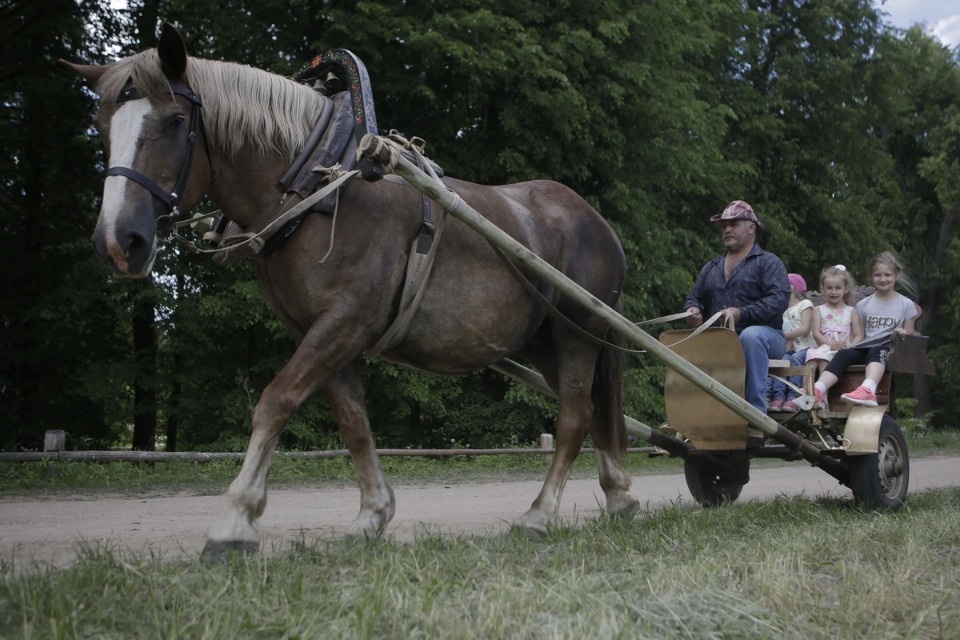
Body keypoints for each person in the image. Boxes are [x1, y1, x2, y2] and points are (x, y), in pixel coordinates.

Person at [684, 200, 791, 412]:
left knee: (750, 336)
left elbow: (778, 300)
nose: (727, 229)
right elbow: (694, 298)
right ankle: (693, 414)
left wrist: (742, 313)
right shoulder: (711, 267)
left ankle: (755, 413)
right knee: (684, 341)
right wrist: (692, 310)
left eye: (734, 224)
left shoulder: (769, 262)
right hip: (721, 339)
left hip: (768, 338)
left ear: (752, 228)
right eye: (724, 225)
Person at [812, 252, 919, 408]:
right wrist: (849, 347)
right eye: (878, 275)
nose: (882, 279)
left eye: (887, 275)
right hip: (866, 348)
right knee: (844, 354)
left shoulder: (906, 304)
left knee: (877, 350)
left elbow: (910, 338)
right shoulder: (863, 305)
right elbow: (860, 336)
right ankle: (818, 389)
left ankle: (868, 389)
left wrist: (902, 333)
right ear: (871, 277)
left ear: (896, 275)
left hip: (889, 351)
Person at [769, 273, 816, 411]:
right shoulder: (784, 311)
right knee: (782, 360)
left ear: (790, 287)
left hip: (807, 347)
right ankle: (778, 397)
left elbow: (805, 329)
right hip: (792, 348)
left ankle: (794, 397)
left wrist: (780, 336)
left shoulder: (805, 304)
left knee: (795, 359)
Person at [805, 264, 863, 374]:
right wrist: (831, 345)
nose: (833, 292)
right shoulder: (818, 310)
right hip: (823, 347)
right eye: (829, 288)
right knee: (812, 360)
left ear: (846, 289)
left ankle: (823, 384)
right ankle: (807, 384)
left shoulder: (851, 311)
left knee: (824, 360)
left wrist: (850, 347)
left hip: (843, 349)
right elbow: (816, 333)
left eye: (838, 288)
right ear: (823, 289)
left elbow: (858, 335)